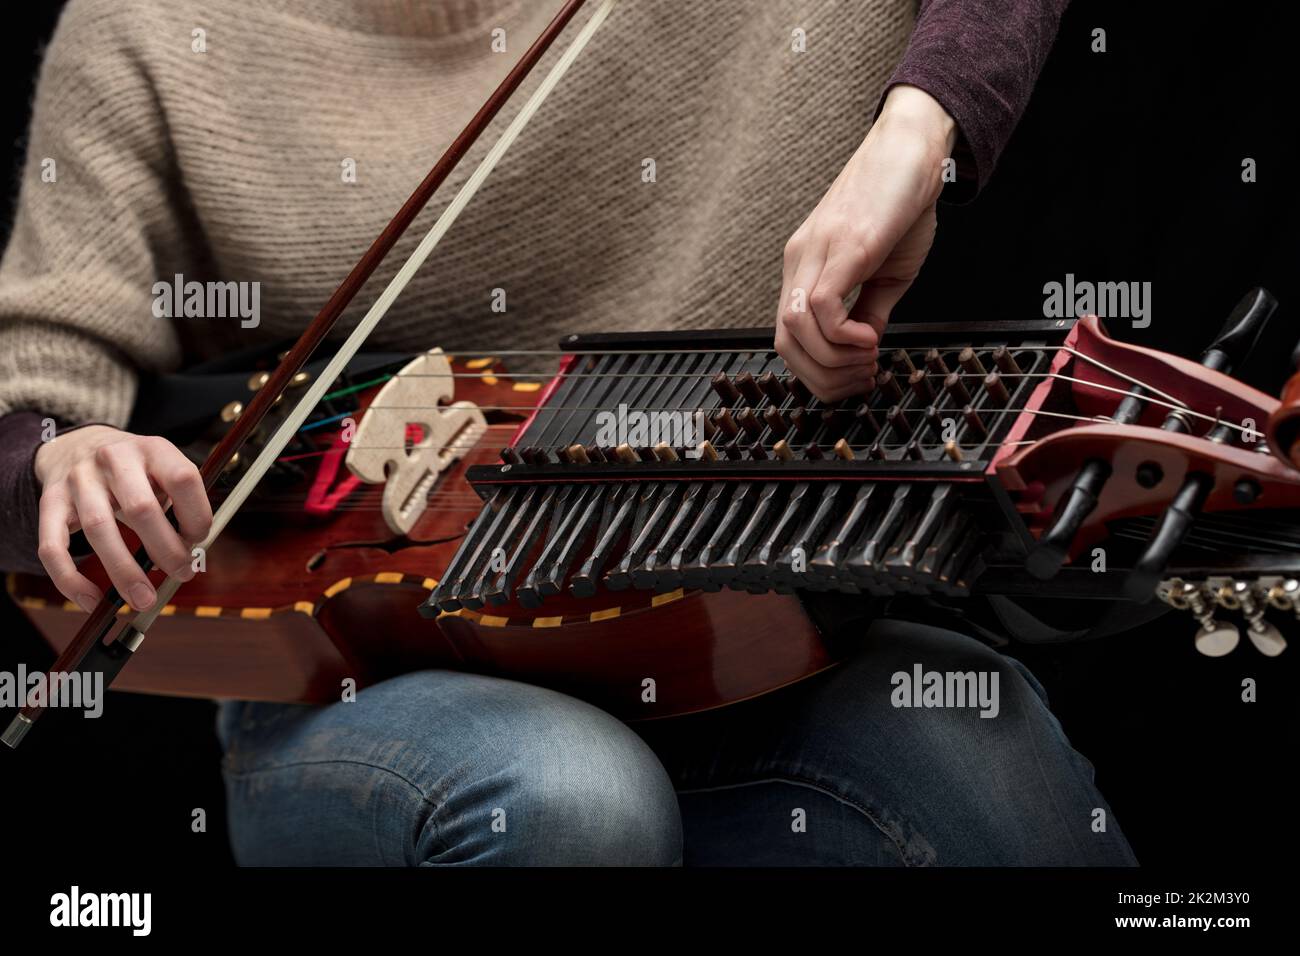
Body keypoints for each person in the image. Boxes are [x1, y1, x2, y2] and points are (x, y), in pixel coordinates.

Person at [0, 0, 1136, 865]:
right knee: (564, 797)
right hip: (362, 664)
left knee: (991, 770)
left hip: (720, 610)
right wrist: (55, 455)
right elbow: (25, 388)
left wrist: (918, 132)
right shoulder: (146, 34)